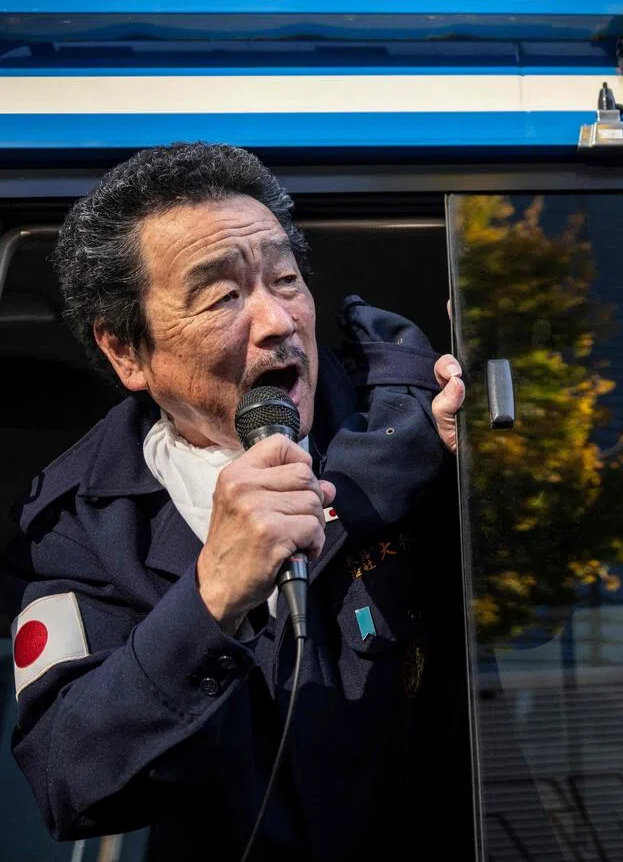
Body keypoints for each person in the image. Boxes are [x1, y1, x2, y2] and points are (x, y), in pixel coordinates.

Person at [3, 142, 467, 861]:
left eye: (284, 279)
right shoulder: (81, 527)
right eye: (222, 297)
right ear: (128, 353)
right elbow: (70, 780)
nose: (277, 321)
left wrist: (484, 472)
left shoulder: (409, 419)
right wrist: (211, 595)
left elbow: (531, 625)